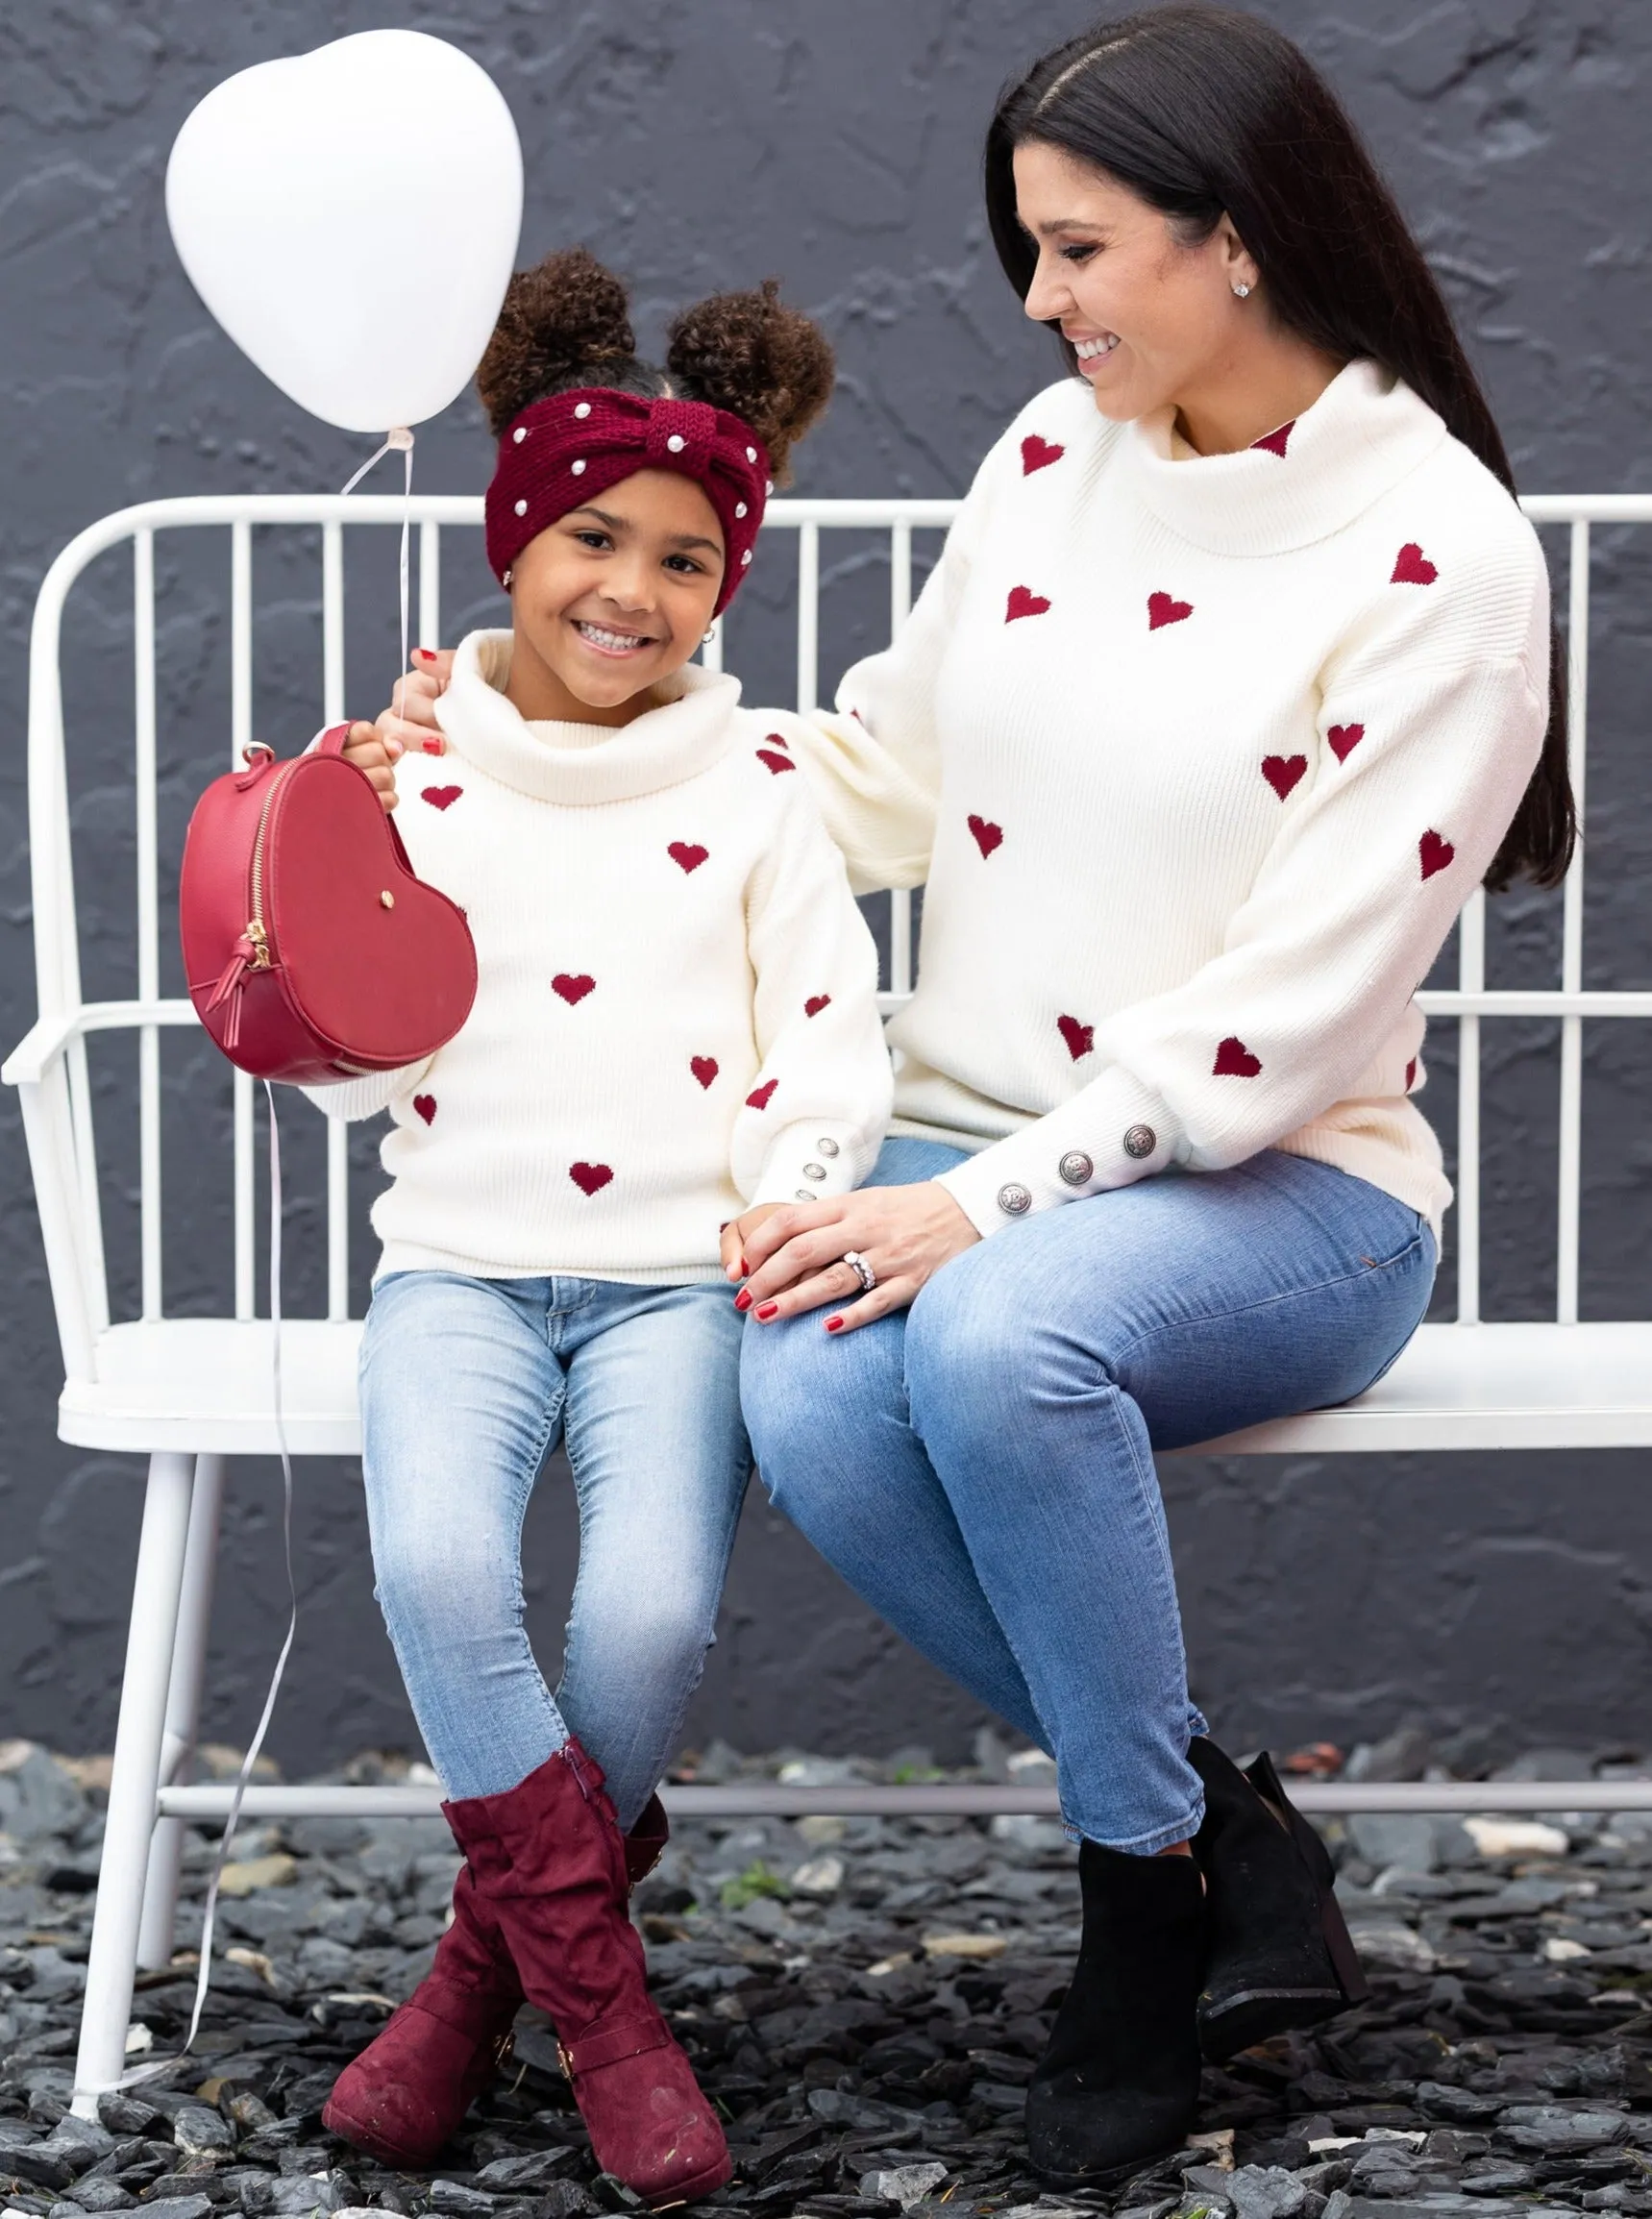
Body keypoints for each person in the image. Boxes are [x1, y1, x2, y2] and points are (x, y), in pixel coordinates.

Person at [381, 3, 1571, 2186]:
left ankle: (1135, 1921)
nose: (1037, 303)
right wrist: (514, 744)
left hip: (1280, 1183)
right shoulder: (1057, 458)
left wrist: (975, 1206)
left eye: (1078, 249)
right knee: (817, 1384)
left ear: (1238, 240)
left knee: (1004, 1341)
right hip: (965, 1134)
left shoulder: (1445, 561)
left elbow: (1282, 1024)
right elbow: (876, 772)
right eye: (1029, 249)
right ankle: (1225, 1833)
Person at [310, 248, 892, 2205]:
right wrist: (338, 856)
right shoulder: (411, 760)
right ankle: (610, 2015)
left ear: (726, 584)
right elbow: (329, 1067)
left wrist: (795, 1203)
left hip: (674, 1284)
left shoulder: (759, 783)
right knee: (440, 1565)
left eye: (682, 559)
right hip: (457, 1262)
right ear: (508, 540)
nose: (628, 592)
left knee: (642, 1604)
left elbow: (828, 1037)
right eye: (588, 537)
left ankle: (483, 1975)